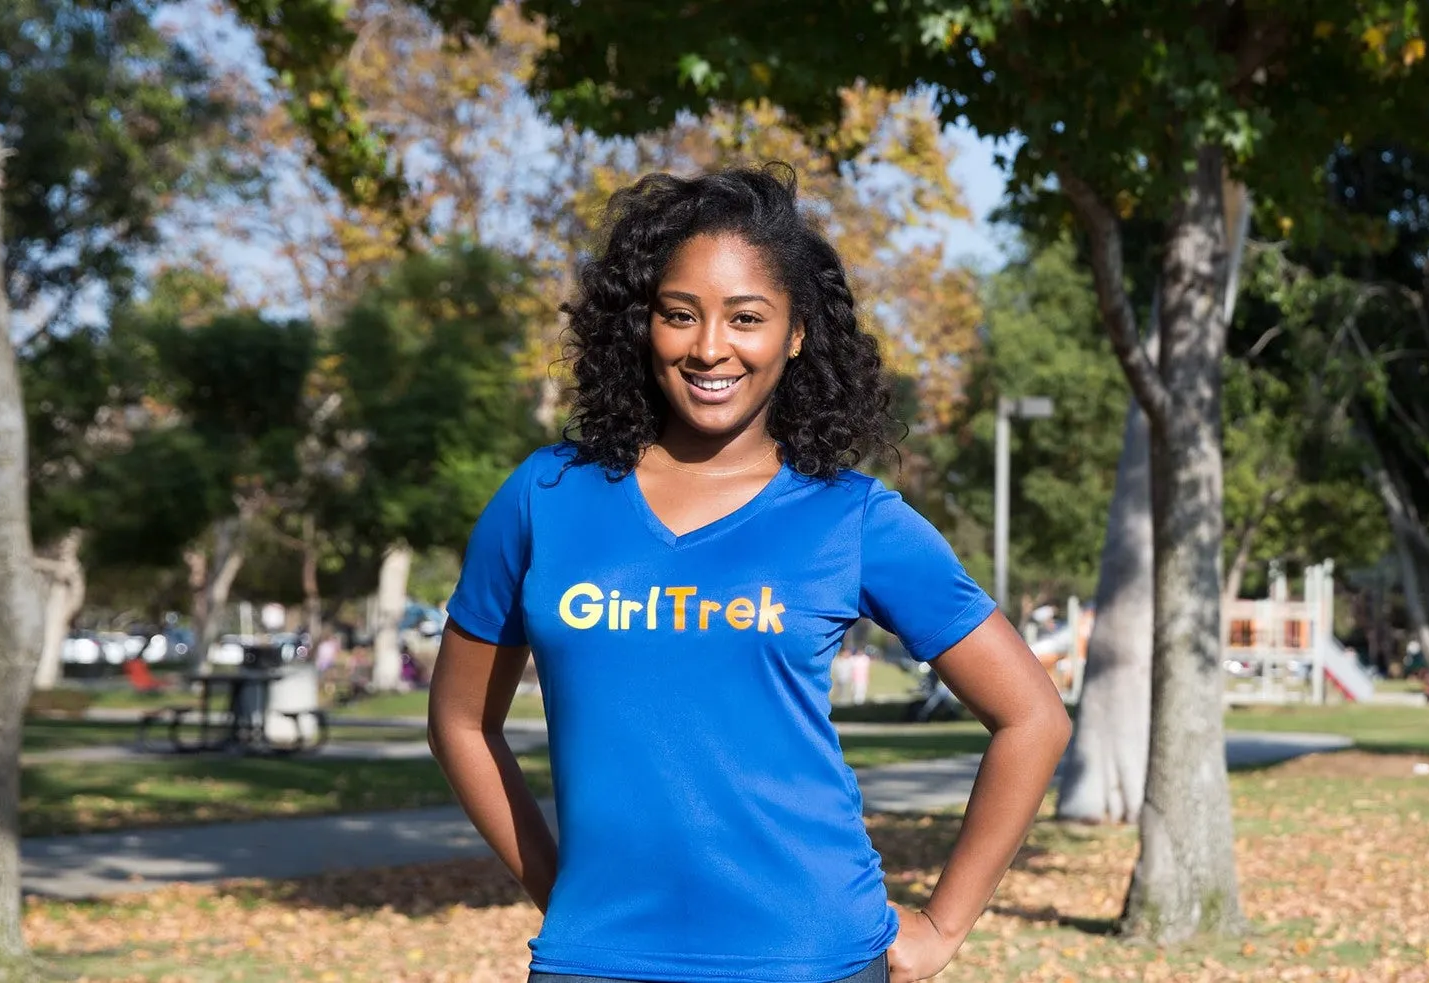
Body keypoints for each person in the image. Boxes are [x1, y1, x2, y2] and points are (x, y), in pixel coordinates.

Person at [428, 167, 1071, 983]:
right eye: (680, 314)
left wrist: (942, 925)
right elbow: (460, 722)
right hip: (593, 961)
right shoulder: (545, 497)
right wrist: (564, 893)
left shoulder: (851, 518)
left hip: (813, 958)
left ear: (796, 332)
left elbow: (1033, 719)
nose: (709, 347)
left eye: (746, 317)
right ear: (643, 323)